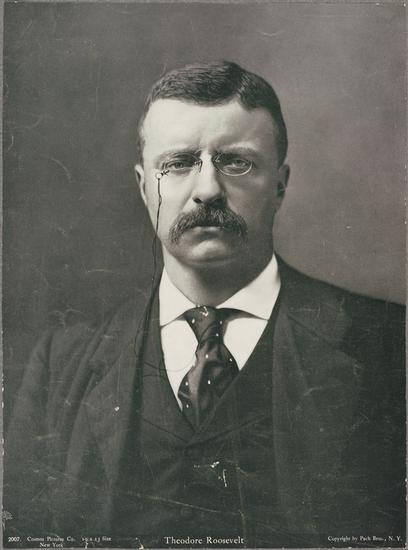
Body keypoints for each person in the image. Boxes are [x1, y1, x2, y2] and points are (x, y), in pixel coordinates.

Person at [4, 61, 405, 548]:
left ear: (279, 185)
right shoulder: (60, 366)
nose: (208, 190)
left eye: (236, 162)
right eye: (178, 164)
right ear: (144, 187)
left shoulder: (391, 349)